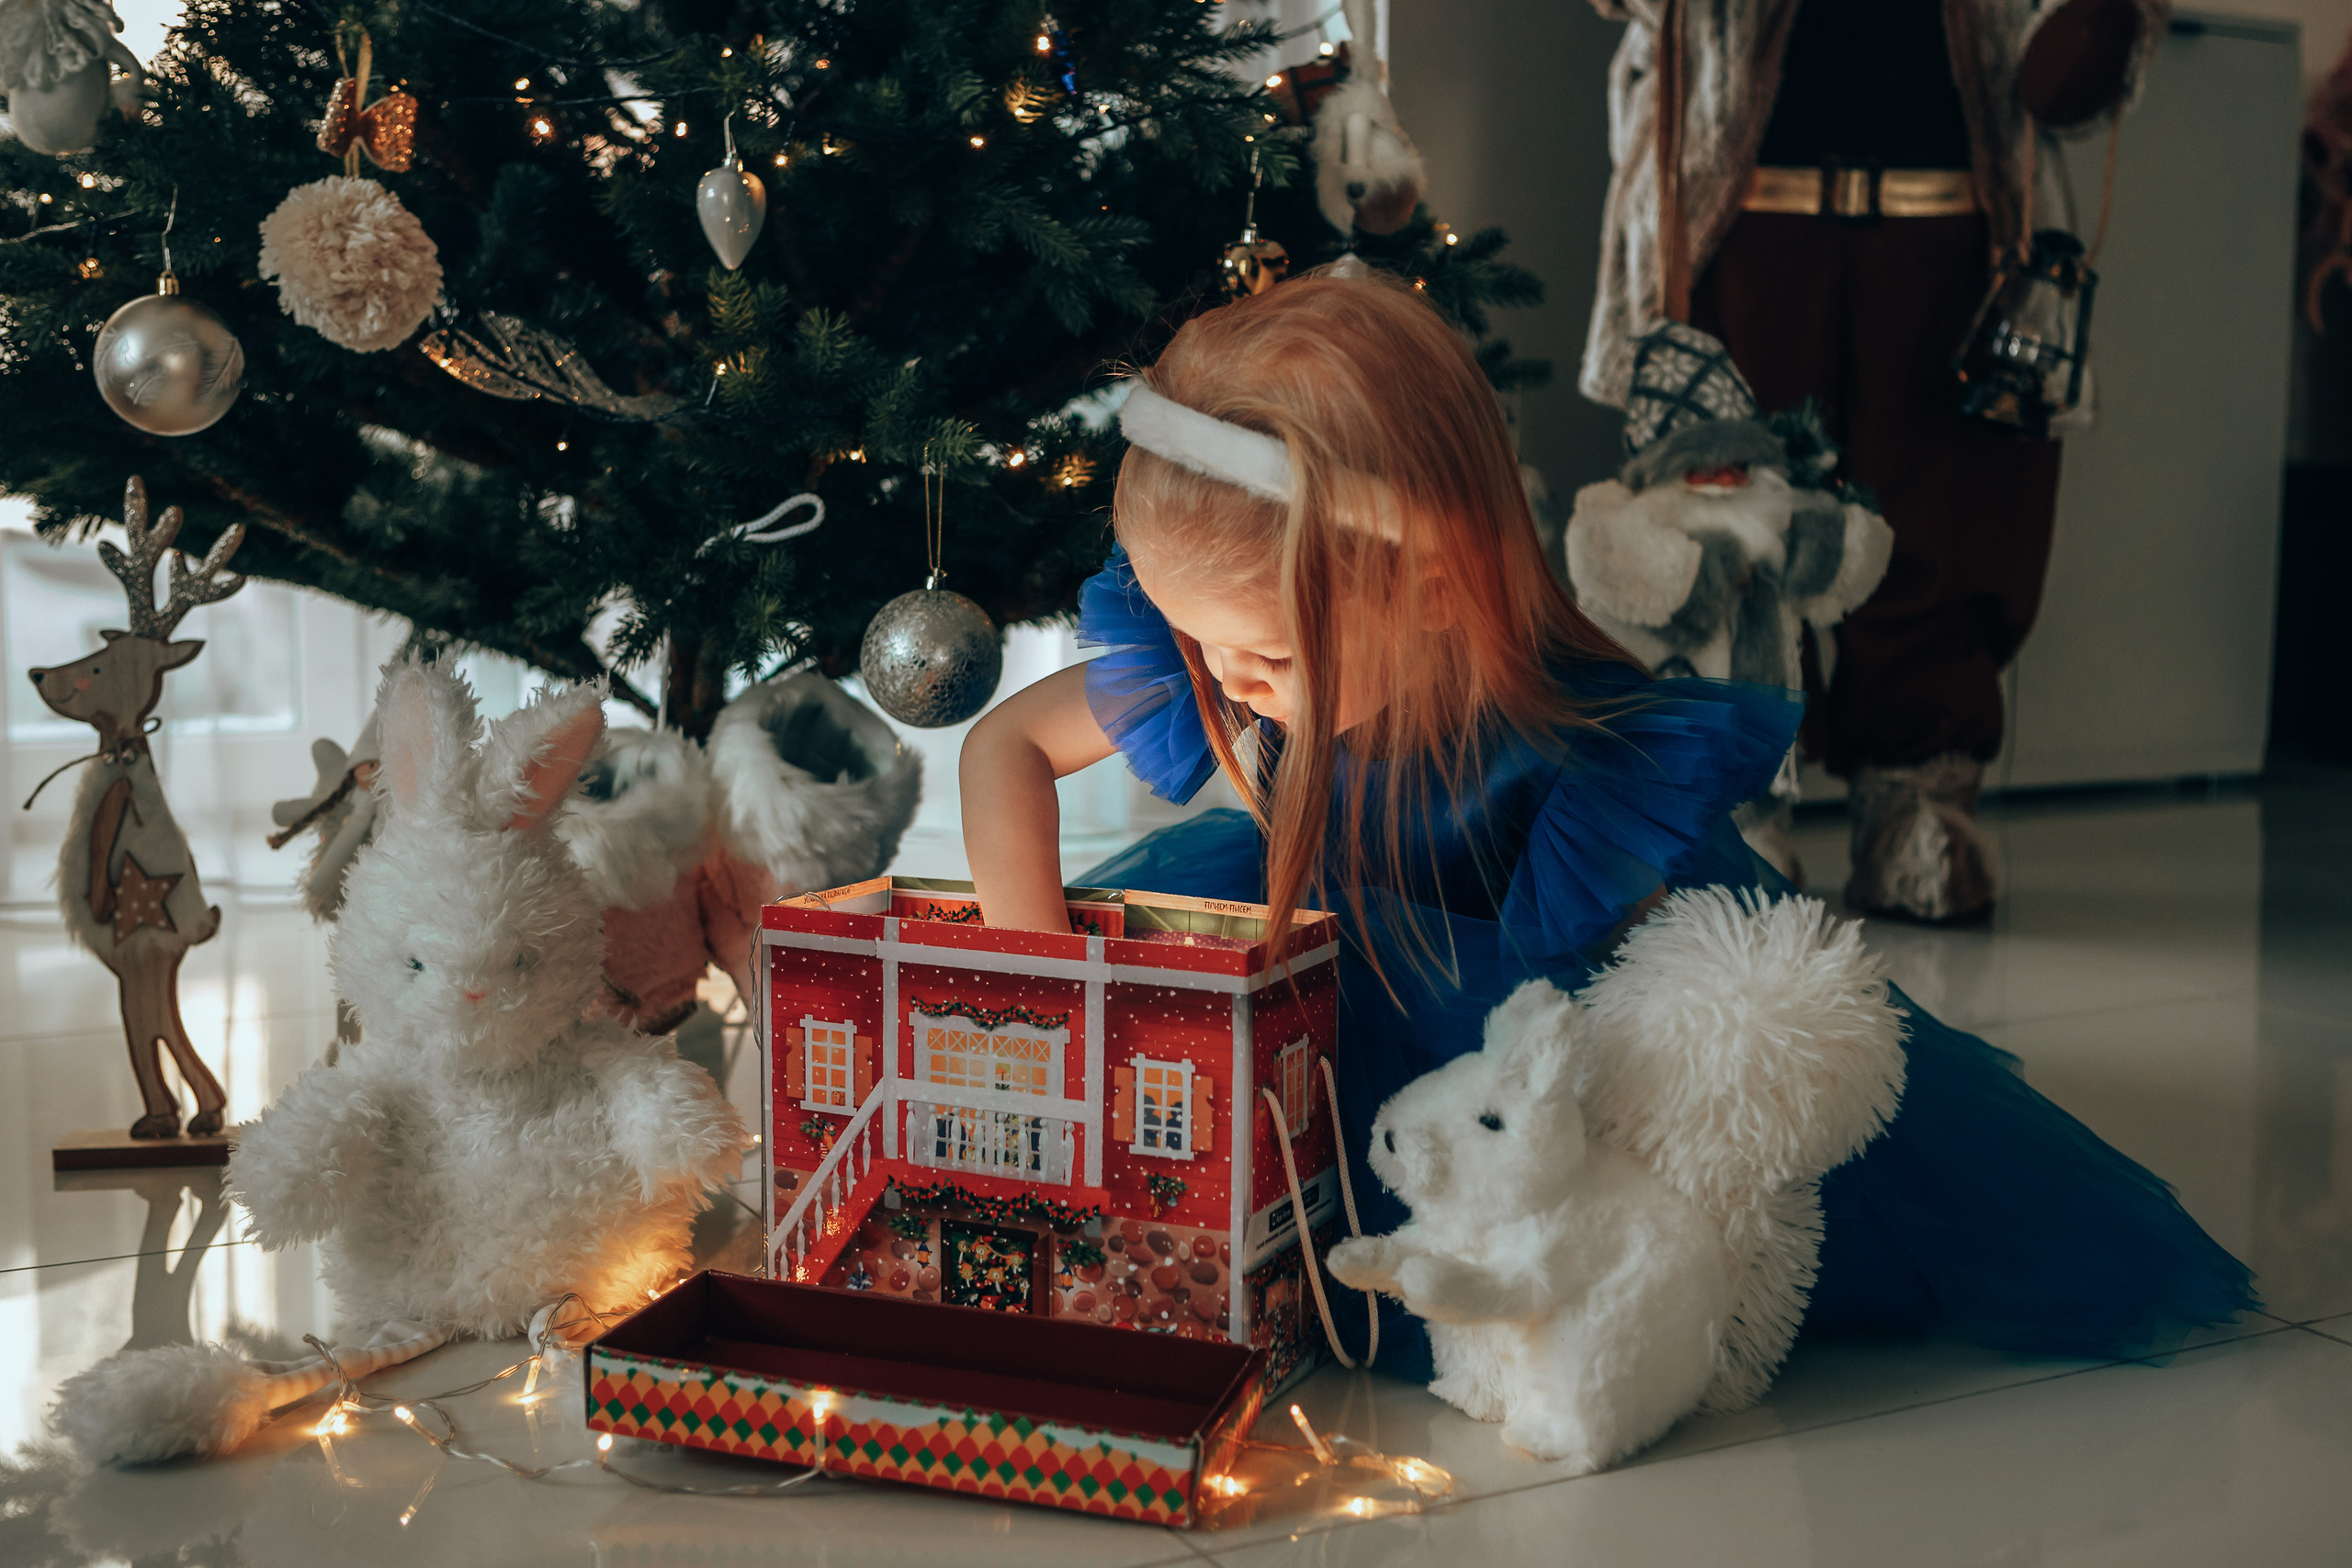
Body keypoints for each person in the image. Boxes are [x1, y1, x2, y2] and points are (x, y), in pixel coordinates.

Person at [959, 271, 2252, 1382]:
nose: (1216, 682)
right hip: (1340, 977)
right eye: (1191, 640)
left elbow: (1672, 1045)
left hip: (1544, 1046)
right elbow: (1005, 744)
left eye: (1259, 652)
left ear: (1428, 585)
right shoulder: (1234, 660)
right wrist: (1043, 990)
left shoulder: (1582, 774)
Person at [1581, 0, 2163, 922]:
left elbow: (2062, 78)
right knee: (1721, 516)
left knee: (1944, 522)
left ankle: (1917, 792)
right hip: (1734, 204)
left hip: (1954, 215)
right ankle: (1738, 800)